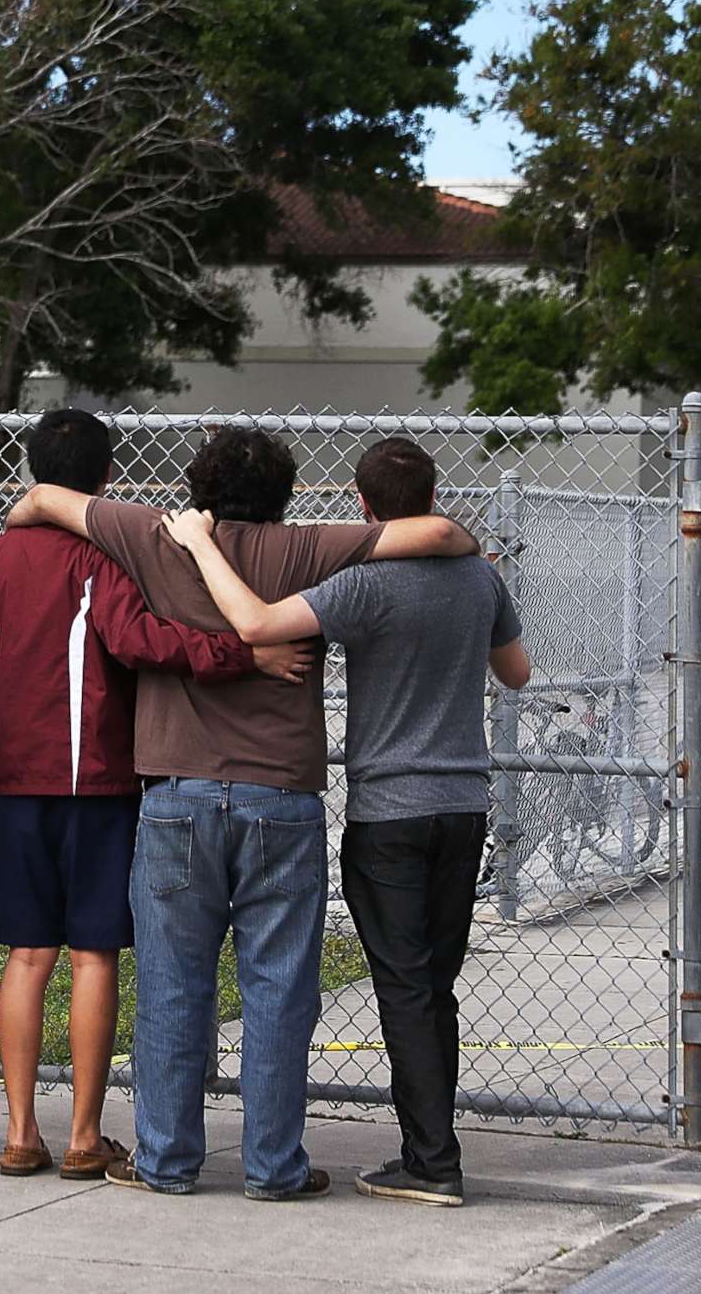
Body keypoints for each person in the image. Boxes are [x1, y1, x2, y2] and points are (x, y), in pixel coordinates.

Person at [6, 428, 477, 1200]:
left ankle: (164, 1157)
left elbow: (42, 499)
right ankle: (274, 1165)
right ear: (286, 490)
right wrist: (465, 535)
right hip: (282, 797)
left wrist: (22, 534)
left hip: (177, 795)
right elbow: (439, 532)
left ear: (201, 487)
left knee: (171, 982)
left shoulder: (153, 534)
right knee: (279, 988)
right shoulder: (312, 546)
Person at [165, 438, 530, 1207]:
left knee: (400, 984)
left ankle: (433, 1159)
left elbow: (259, 623)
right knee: (435, 984)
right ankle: (428, 1146)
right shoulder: (479, 577)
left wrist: (199, 543)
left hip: (389, 809)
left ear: (363, 507)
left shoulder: (362, 585)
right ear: (433, 496)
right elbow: (517, 670)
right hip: (465, 804)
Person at [0, 408, 315, 1180]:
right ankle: (85, 1135)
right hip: (101, 783)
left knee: (26, 955)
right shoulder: (100, 558)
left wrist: (6, 720)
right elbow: (138, 642)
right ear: (106, 477)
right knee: (92, 955)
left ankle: (21, 1132)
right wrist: (242, 654)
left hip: (19, 780)